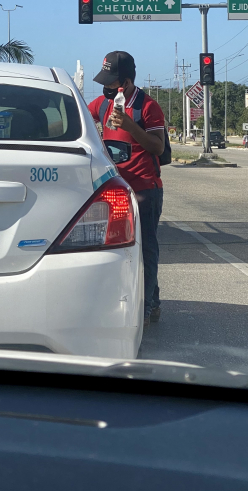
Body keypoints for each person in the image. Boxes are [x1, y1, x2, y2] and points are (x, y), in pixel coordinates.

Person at [88, 51, 165, 329]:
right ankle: (153, 301)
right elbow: (81, 117)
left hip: (145, 189)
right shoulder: (102, 105)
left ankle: (144, 309)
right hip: (115, 189)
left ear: (127, 82)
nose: (105, 88)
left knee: (145, 248)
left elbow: (158, 147)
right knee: (118, 249)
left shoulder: (147, 107)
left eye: (111, 83)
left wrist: (130, 125)